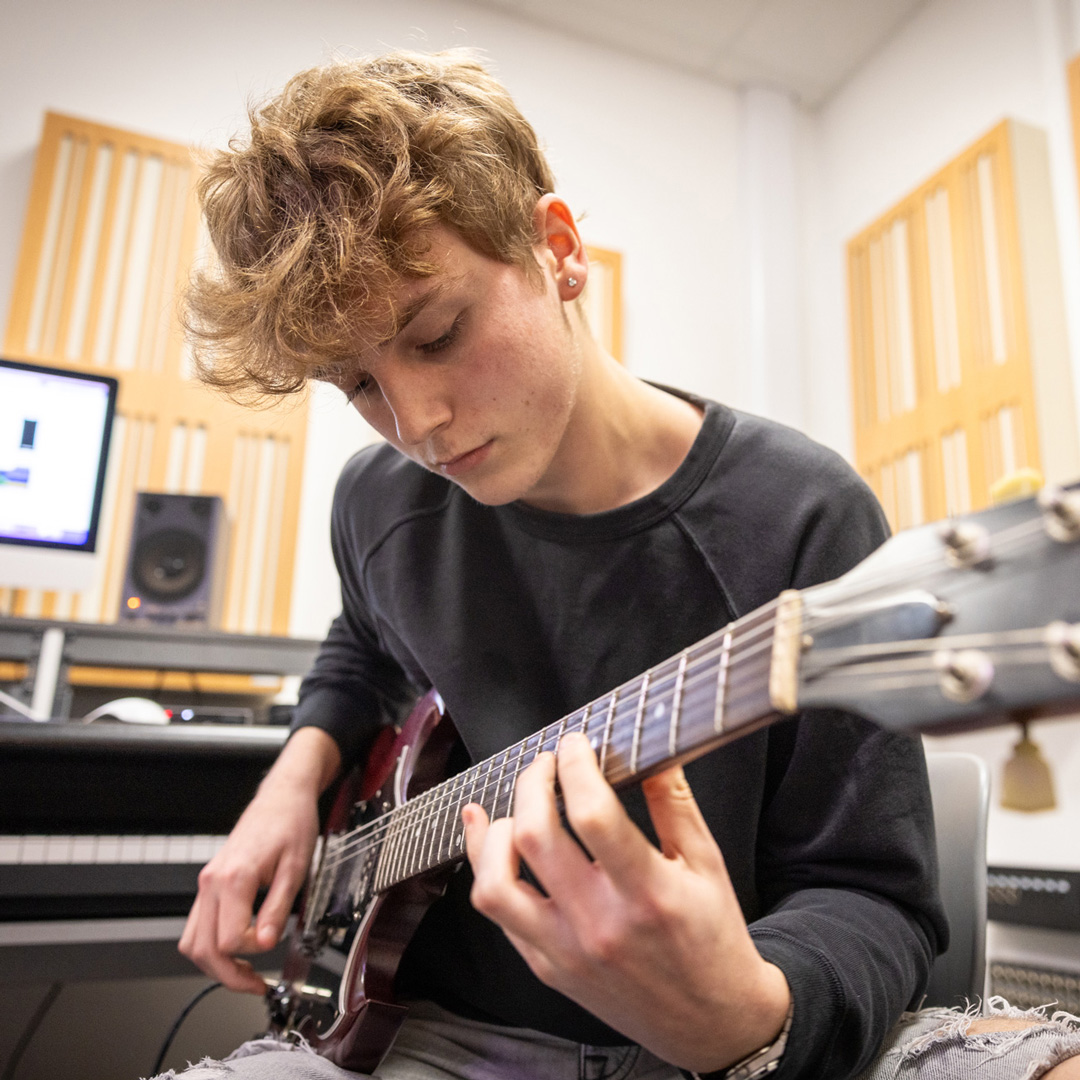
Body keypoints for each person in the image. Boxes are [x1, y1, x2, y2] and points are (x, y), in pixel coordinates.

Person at [165, 50, 1080, 1080]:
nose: (413, 423)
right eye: (356, 385)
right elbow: (363, 645)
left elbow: (874, 899)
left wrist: (746, 1016)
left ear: (557, 250)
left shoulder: (803, 516)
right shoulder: (376, 501)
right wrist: (293, 781)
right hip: (433, 1032)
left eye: (437, 333)